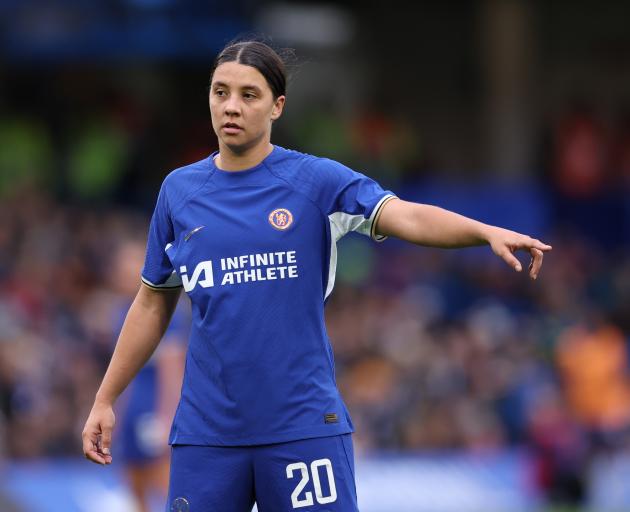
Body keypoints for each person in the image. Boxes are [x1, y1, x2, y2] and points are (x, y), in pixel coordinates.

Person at [82, 39, 552, 512]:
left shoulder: (315, 182)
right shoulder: (178, 192)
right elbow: (152, 301)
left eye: (249, 95)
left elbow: (404, 215)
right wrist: (106, 398)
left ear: (277, 106)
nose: (231, 106)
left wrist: (482, 231)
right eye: (220, 92)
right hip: (208, 436)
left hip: (303, 428)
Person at [108, 240, 189, 512]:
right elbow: (122, 373)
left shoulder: (168, 311)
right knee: (134, 486)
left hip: (153, 411)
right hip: (132, 411)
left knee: (167, 487)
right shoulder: (120, 314)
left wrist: (168, 417)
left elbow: (172, 368)